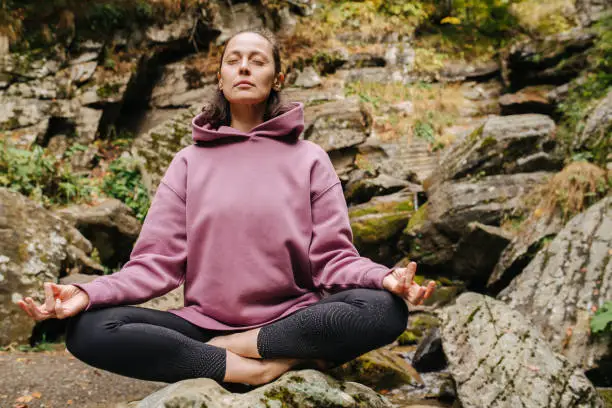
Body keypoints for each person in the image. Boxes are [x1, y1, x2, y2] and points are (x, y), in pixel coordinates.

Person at [18, 28, 436, 390]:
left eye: (257, 61)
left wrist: (385, 278)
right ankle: (252, 369)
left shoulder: (310, 158)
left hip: (292, 318)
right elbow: (153, 266)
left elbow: (333, 260)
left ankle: (234, 351)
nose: (244, 68)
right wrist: (88, 293)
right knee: (89, 329)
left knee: (385, 310)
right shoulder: (188, 162)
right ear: (220, 78)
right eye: (233, 61)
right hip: (204, 323)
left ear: (277, 78)